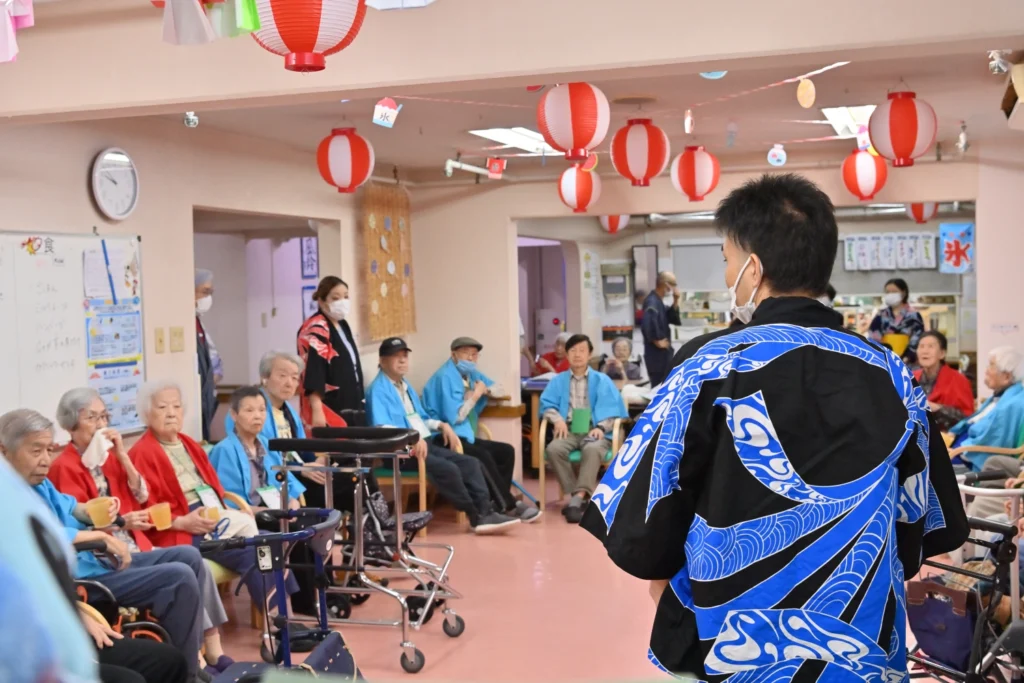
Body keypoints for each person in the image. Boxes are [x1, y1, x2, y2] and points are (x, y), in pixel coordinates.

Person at [580, 174, 968, 681]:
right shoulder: (891, 373)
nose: (727, 275)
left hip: (732, 644)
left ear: (753, 267)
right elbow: (919, 524)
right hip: (859, 644)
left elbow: (646, 522)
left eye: (727, 260)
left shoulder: (708, 365)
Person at [0, 408, 209, 681]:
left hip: (95, 561)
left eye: (49, 450)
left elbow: (73, 508)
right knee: (178, 577)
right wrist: (98, 537)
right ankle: (188, 674)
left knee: (189, 556)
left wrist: (97, 511)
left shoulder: (39, 483)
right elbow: (39, 536)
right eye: (36, 451)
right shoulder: (8, 496)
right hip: (83, 579)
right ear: (4, 451)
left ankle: (191, 658)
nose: (45, 460)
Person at [48, 387, 234, 675]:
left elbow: (141, 494)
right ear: (71, 425)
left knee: (190, 557)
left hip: (131, 543)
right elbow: (80, 527)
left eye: (104, 416)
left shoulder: (107, 457)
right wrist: (122, 522)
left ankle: (201, 651)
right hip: (102, 557)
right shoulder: (63, 467)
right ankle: (189, 668)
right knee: (180, 574)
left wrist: (122, 455)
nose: (101, 424)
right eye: (92, 418)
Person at [127, 381, 299, 637]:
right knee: (257, 546)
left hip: (213, 517)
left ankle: (285, 621)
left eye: (176, 406)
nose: (171, 413)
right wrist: (182, 522)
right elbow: (142, 510)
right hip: (180, 529)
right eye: (162, 407)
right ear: (146, 414)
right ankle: (277, 627)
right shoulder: (141, 453)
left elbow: (215, 488)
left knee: (268, 543)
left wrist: (227, 510)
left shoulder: (189, 443)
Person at [366, 337, 520, 534]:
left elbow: (421, 417)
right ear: (382, 361)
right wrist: (411, 438)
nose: (402, 360)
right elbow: (381, 427)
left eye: (405, 356)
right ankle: (476, 516)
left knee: (471, 463)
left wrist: (441, 425)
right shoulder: (377, 389)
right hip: (402, 452)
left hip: (424, 444)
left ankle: (487, 511)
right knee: (449, 469)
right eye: (396, 356)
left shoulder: (404, 386)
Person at [423, 337, 540, 522]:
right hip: (444, 437)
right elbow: (456, 417)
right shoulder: (445, 377)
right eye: (466, 353)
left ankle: (498, 502)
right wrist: (475, 396)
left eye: (474, 354)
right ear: (453, 355)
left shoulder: (470, 375)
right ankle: (509, 505)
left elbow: (499, 389)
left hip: (464, 435)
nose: (471, 358)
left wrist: (484, 391)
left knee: (506, 452)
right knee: (482, 456)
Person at [541, 334, 627, 524]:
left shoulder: (602, 380)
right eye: (573, 351)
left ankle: (577, 499)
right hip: (568, 430)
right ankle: (577, 497)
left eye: (582, 350)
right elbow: (547, 405)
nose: (577, 355)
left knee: (592, 449)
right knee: (553, 449)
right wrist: (557, 420)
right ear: (567, 355)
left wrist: (600, 427)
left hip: (594, 429)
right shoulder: (557, 381)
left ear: (589, 354)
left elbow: (614, 410)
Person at [297, 275, 364, 428]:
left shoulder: (342, 324)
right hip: (329, 405)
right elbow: (314, 371)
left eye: (346, 297)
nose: (343, 302)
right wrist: (317, 409)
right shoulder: (317, 327)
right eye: (335, 298)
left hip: (350, 400)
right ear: (322, 301)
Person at [948, 346, 1024, 474]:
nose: (986, 371)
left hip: (968, 460)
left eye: (991, 366)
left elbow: (993, 441)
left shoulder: (1012, 405)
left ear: (1006, 376)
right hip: (959, 451)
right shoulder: (1000, 397)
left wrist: (958, 451)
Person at [914, 331, 975, 432]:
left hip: (946, 436)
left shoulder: (959, 380)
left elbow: (968, 418)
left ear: (942, 353)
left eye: (930, 346)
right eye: (921, 346)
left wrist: (938, 408)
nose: (925, 351)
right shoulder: (909, 377)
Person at [868, 277, 925, 364]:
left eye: (894, 291)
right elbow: (873, 338)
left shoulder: (914, 316)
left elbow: (918, 338)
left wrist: (906, 357)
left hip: (908, 362)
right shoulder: (881, 315)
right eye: (887, 292)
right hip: (885, 360)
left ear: (903, 293)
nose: (890, 294)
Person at [640, 271, 682, 387]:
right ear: (666, 284)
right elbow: (647, 322)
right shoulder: (652, 301)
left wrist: (675, 300)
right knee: (658, 387)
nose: (674, 288)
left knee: (665, 385)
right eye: (673, 284)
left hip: (663, 355)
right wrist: (656, 340)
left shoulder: (659, 301)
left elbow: (670, 317)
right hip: (656, 356)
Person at [194, 268, 222, 443]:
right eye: (205, 292)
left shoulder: (198, 322)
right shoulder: (186, 322)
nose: (208, 298)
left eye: (210, 293)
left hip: (206, 396)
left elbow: (214, 360)